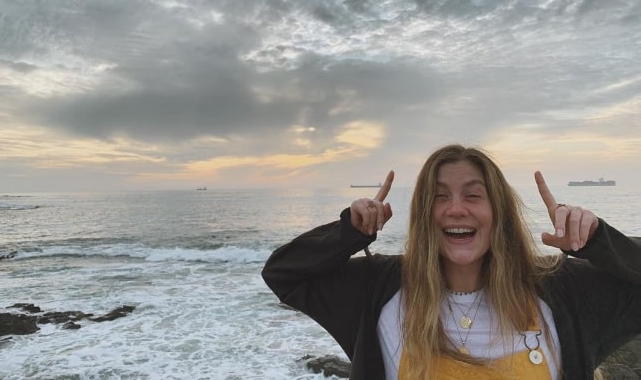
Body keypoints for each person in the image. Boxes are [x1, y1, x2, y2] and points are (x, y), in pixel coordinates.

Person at [262, 144, 641, 380]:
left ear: (500, 213)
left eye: (473, 195)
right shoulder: (378, 288)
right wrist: (350, 233)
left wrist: (596, 242)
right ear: (425, 214)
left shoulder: (561, 288)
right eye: (439, 197)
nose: (455, 209)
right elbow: (283, 274)